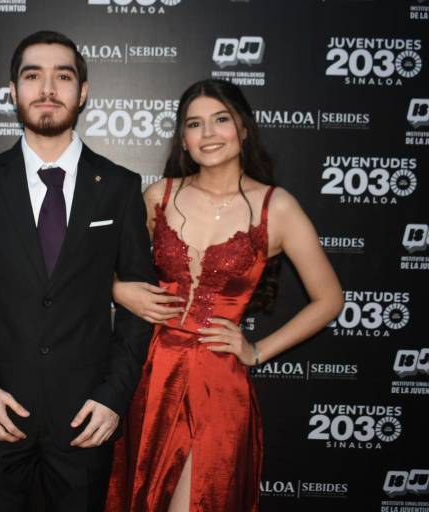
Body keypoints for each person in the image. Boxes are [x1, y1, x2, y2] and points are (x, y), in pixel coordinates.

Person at [0, 31, 157, 512]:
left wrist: (113, 397)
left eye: (62, 77)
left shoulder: (118, 186)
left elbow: (141, 304)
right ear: (13, 91)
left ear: (83, 92)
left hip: (86, 420)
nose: (48, 89)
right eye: (33, 76)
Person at [106, 79, 344, 512]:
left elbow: (329, 299)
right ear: (183, 139)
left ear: (244, 128)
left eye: (221, 119)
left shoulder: (277, 207)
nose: (209, 133)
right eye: (195, 124)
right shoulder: (159, 196)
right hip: (150, 374)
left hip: (218, 383)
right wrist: (119, 290)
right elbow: (93, 267)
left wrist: (257, 350)